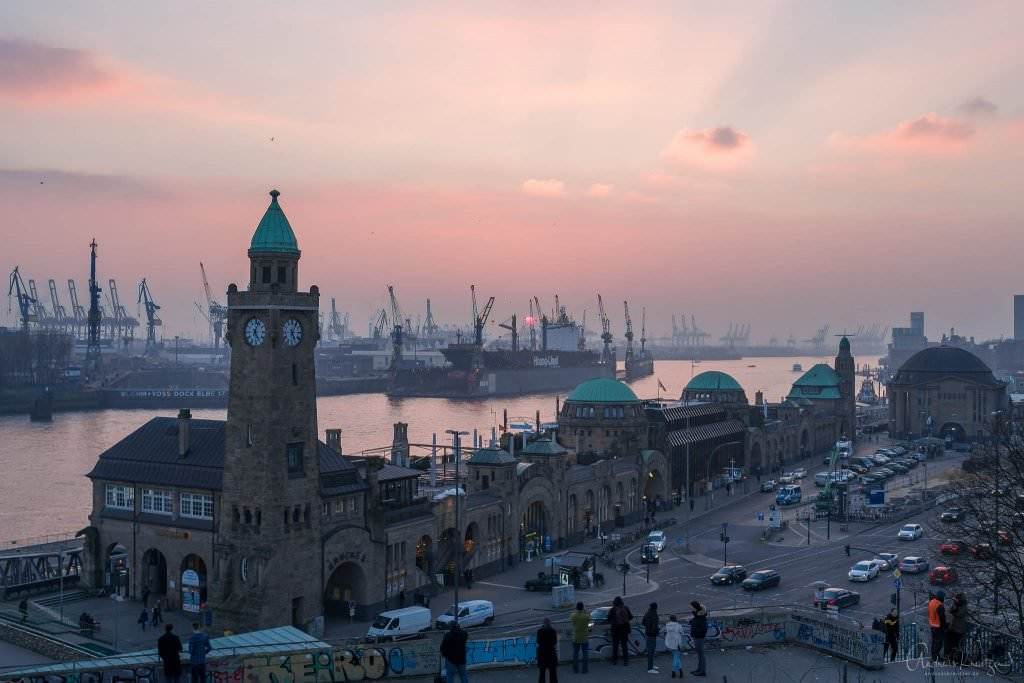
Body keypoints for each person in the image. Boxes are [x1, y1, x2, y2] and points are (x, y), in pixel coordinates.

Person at [609, 596, 633, 666]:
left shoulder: (613, 609)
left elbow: (609, 619)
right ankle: (625, 661)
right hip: (624, 629)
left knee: (615, 646)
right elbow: (631, 617)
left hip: (615, 630)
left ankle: (614, 660)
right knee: (624, 646)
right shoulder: (625, 608)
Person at [946, 593, 968, 663]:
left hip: (959, 630)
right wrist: (954, 608)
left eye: (957, 600)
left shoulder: (963, 606)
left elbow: (959, 614)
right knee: (951, 644)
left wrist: (955, 610)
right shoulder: (956, 605)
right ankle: (951, 658)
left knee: (958, 645)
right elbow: (950, 610)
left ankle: (958, 660)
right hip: (953, 628)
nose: (955, 601)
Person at [569, 602, 590, 674]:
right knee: (585, 653)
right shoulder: (586, 616)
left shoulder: (573, 615)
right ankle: (584, 669)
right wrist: (585, 611)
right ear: (583, 607)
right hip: (584, 637)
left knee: (575, 653)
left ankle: (575, 670)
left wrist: (577, 611)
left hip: (576, 637)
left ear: (576, 607)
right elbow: (590, 618)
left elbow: (572, 617)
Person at [689, 601, 708, 677]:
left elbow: (703, 628)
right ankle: (699, 669)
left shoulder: (700, 616)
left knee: (701, 655)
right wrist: (692, 622)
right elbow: (697, 622)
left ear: (695, 607)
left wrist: (695, 631)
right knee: (699, 654)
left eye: (691, 606)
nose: (690, 608)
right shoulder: (697, 615)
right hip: (697, 637)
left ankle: (702, 671)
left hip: (699, 637)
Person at [537, 617, 559, 683]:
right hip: (551, 654)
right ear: (550, 623)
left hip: (542, 654)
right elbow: (555, 642)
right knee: (553, 674)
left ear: (543, 623)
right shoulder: (553, 631)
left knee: (542, 674)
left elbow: (538, 641)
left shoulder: (540, 631)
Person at [927, 590, 947, 662]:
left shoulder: (931, 602)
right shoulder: (939, 605)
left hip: (932, 625)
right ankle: (936, 657)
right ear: (941, 597)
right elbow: (942, 618)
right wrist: (944, 626)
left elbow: (929, 613)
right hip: (938, 626)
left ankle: (934, 655)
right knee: (939, 642)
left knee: (934, 641)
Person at [664, 614, 683, 678]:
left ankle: (680, 671)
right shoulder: (678, 625)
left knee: (676, 656)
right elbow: (682, 632)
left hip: (670, 643)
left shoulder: (667, 625)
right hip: (677, 643)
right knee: (676, 657)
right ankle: (674, 671)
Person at [642, 602, 660, 674]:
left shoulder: (647, 613)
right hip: (652, 634)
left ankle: (651, 665)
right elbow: (655, 626)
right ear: (656, 607)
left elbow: (643, 622)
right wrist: (656, 631)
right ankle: (650, 668)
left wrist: (648, 627)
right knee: (651, 650)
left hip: (648, 633)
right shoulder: (654, 614)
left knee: (650, 650)